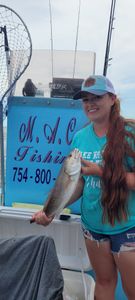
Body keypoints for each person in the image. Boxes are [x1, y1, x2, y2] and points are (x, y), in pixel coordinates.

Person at [31, 75, 135, 300]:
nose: (90, 103)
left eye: (97, 97)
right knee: (104, 282)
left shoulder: (130, 134)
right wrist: (50, 210)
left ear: (112, 99)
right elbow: (76, 182)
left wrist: (102, 172)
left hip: (126, 228)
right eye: (85, 99)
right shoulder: (80, 138)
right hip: (93, 228)